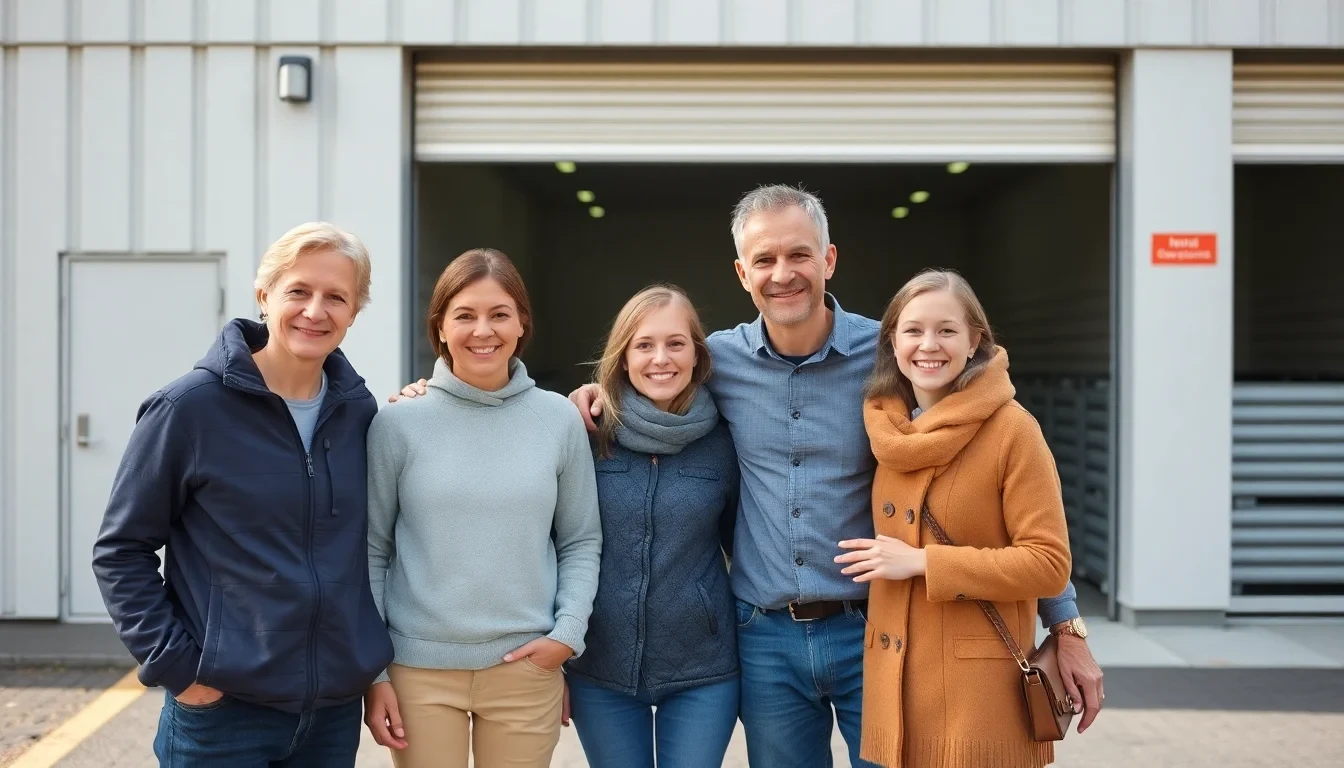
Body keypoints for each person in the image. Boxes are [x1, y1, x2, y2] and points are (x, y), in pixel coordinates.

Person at [392, 185, 1105, 767]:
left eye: (799, 254)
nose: (782, 272)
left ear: (828, 258)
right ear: (742, 273)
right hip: (763, 639)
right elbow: (647, 383)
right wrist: (452, 395)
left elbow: (986, 470)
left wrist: (1064, 621)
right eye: (764, 259)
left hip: (874, 631)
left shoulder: (888, 356)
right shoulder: (718, 364)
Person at [92, 222, 394, 767]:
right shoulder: (188, 409)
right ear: (264, 295)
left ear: (355, 312)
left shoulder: (359, 414)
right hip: (223, 713)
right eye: (298, 291)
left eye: (336, 298)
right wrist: (178, 669)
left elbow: (365, 552)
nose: (314, 310)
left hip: (331, 714)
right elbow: (121, 551)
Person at [362, 248, 602, 768]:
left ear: (521, 324)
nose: (482, 330)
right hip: (417, 669)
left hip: (525, 666)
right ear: (440, 328)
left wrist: (566, 636)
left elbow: (581, 539)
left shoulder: (558, 420)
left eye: (499, 314)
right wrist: (376, 672)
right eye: (464, 315)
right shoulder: (398, 424)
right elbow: (372, 550)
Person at [836, 269, 1072, 767]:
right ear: (892, 343)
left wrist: (924, 562)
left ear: (974, 343)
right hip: (897, 687)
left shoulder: (1014, 431)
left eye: (946, 330)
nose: (929, 345)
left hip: (979, 698)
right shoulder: (887, 429)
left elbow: (1049, 564)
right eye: (913, 330)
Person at [563, 285, 740, 768]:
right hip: (599, 668)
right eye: (644, 345)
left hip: (704, 670)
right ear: (622, 358)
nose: (660, 359)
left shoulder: (725, 440)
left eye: (675, 344)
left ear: (698, 355)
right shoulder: (582, 431)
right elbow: (549, 545)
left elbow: (742, 543)